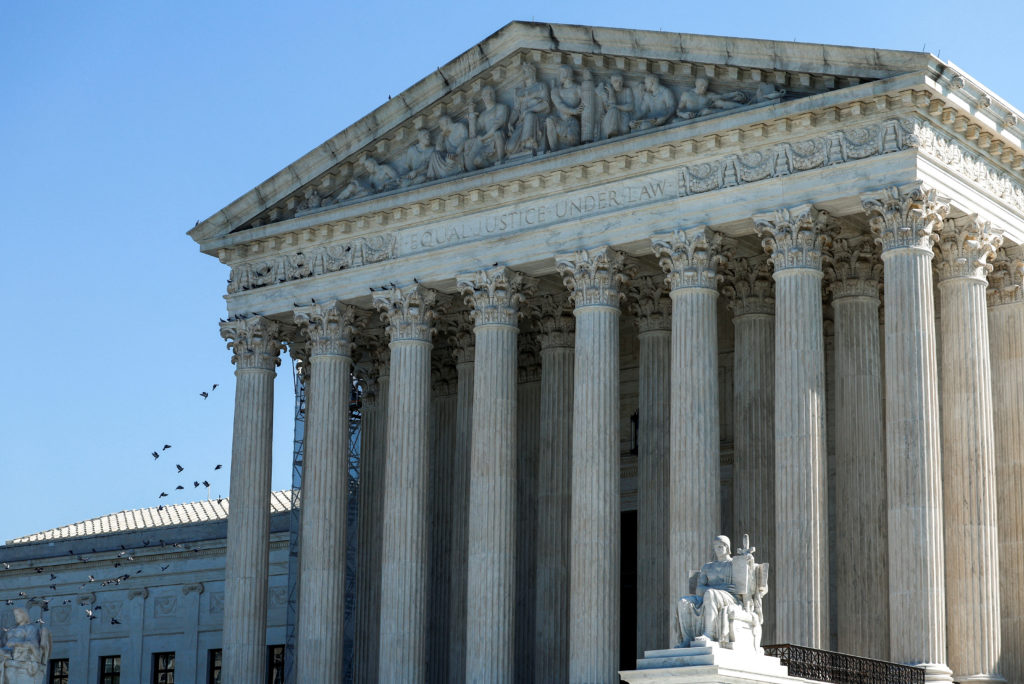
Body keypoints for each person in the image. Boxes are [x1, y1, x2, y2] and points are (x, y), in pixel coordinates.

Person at [674, 535, 743, 647]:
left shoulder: (734, 564)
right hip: (710, 595)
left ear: (727, 547)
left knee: (710, 594)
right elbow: (699, 589)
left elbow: (748, 575)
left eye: (720, 546)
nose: (718, 550)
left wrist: (749, 560)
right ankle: (687, 639)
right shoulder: (708, 567)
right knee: (683, 602)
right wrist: (716, 589)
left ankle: (709, 633)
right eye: (716, 547)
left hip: (730, 598)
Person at [506, 62, 550, 155]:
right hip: (521, 123)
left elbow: (546, 105)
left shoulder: (541, 86)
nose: (524, 73)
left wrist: (529, 110)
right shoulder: (519, 91)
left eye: (526, 71)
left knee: (529, 116)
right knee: (510, 148)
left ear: (532, 72)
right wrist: (510, 122)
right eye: (523, 71)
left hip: (536, 119)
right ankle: (523, 145)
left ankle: (528, 145)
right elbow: (516, 109)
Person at [0, 606, 51, 684]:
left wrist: (16, 643)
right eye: (15, 615)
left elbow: (32, 644)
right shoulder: (11, 629)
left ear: (24, 615)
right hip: (6, 650)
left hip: (18, 652)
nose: (16, 617)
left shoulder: (31, 628)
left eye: (18, 615)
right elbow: (3, 642)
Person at [676, 77, 747, 120]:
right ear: (696, 84)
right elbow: (678, 110)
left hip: (704, 113)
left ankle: (742, 108)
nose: (703, 88)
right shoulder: (687, 95)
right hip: (690, 118)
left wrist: (734, 93)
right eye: (701, 86)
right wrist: (683, 115)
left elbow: (722, 96)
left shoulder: (708, 95)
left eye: (705, 87)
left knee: (719, 103)